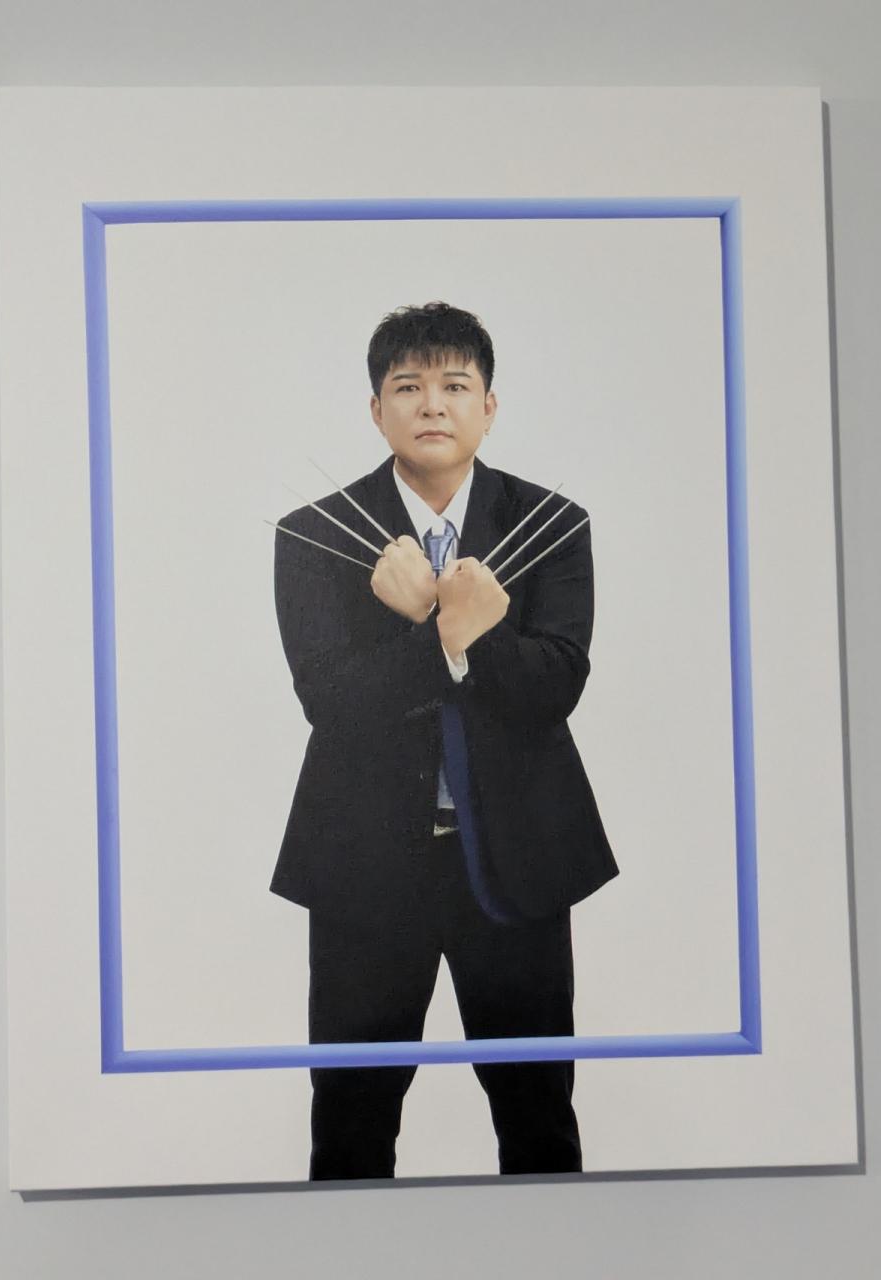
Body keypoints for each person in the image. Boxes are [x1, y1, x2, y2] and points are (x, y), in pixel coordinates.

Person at [271, 301, 618, 1180]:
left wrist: (454, 624)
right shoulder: (314, 534)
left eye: (455, 385)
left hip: (517, 860)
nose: (432, 404)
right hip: (364, 868)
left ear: (488, 408)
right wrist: (444, 629)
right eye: (408, 386)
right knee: (350, 1127)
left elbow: (554, 689)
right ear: (376, 409)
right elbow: (333, 704)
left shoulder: (553, 523)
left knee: (539, 1119)